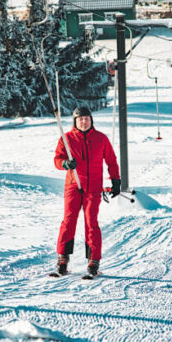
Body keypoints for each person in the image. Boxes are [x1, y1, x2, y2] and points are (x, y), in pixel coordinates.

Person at [53, 106, 121, 277]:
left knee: (91, 222)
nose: (84, 122)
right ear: (75, 122)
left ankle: (93, 260)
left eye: (87, 119)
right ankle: (63, 258)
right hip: (73, 186)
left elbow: (111, 160)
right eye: (80, 119)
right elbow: (57, 160)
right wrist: (65, 164)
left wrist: (116, 180)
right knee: (69, 221)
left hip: (93, 188)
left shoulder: (101, 138)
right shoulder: (67, 138)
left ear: (91, 120)